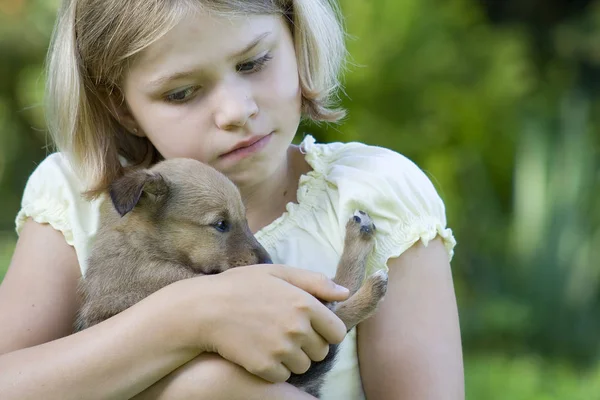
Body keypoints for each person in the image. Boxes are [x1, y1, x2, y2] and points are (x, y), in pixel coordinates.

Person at [0, 0, 465, 399]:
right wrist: (191, 318)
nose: (236, 111)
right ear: (121, 106)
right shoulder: (77, 195)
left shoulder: (374, 193)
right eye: (181, 92)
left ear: (295, 35)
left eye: (253, 62)